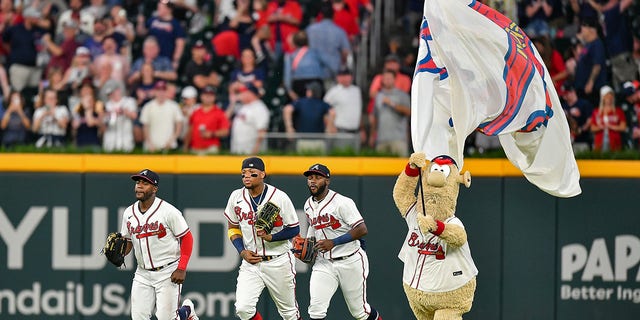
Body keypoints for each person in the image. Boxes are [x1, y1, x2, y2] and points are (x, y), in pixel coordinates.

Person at [223, 157, 302, 320]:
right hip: (251, 262)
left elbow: (295, 228)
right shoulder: (236, 196)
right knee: (243, 309)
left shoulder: (279, 197)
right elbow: (232, 228)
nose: (247, 176)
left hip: (278, 260)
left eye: (252, 173)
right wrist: (242, 251)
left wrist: (271, 237)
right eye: (244, 173)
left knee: (289, 313)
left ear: (263, 174)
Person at [301, 163, 383, 320]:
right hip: (323, 263)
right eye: (310, 178)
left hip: (350, 260)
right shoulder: (308, 205)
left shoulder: (342, 202)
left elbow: (362, 229)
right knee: (316, 312)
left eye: (318, 177)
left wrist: (334, 242)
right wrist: (307, 244)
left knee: (360, 312)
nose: (313, 181)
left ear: (327, 181)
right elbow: (313, 226)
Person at [120, 168, 198, 320]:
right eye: (138, 182)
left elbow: (187, 238)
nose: (139, 186)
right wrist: (120, 253)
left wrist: (181, 268)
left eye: (145, 183)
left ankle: (187, 310)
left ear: (154, 188)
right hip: (142, 273)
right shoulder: (128, 213)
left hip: (167, 271)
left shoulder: (168, 211)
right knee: (138, 318)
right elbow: (128, 241)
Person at [368, 69, 411, 156]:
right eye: (385, 78)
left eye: (389, 78)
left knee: (401, 168)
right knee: (380, 168)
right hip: (381, 139)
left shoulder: (402, 95)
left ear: (394, 80)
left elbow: (408, 112)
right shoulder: (378, 96)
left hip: (398, 139)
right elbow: (375, 118)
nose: (387, 80)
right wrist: (372, 136)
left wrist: (392, 104)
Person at [183, 86, 230, 154]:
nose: (208, 97)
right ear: (201, 96)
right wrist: (186, 147)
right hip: (195, 148)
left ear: (214, 97)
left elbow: (225, 131)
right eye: (206, 95)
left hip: (211, 148)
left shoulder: (219, 112)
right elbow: (190, 130)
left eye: (210, 95)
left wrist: (211, 134)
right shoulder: (196, 112)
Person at [139, 81, 184, 152]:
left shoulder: (174, 106)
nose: (161, 93)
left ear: (166, 92)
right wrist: (149, 143)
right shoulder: (148, 106)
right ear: (155, 92)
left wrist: (172, 140)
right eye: (158, 90)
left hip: (169, 146)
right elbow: (145, 127)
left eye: (163, 90)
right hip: (152, 147)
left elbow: (179, 124)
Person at [229, 83, 270, 154]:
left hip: (251, 152)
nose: (240, 95)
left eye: (243, 92)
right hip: (239, 150)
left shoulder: (260, 108)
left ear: (251, 94)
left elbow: (262, 131)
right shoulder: (244, 106)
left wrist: (256, 149)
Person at [589, 85, 628, 151]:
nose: (609, 99)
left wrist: (611, 126)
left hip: (615, 141)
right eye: (607, 97)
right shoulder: (596, 112)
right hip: (600, 141)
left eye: (611, 97)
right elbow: (592, 128)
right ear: (603, 98)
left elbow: (623, 127)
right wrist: (601, 127)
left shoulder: (618, 111)